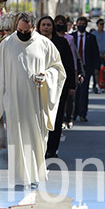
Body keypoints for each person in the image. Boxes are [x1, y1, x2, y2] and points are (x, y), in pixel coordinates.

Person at [0, 12, 66, 186]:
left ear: (33, 28)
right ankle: (18, 179)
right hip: (13, 101)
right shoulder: (7, 44)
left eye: (26, 31)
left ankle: (35, 177)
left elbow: (58, 69)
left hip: (36, 101)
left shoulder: (45, 44)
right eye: (19, 30)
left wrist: (46, 75)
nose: (22, 33)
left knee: (36, 139)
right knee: (17, 140)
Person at [38, 14, 76, 157]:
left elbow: (69, 64)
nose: (46, 27)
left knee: (56, 117)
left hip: (58, 87)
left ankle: (52, 149)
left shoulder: (61, 42)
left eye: (48, 25)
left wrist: (72, 85)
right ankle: (40, 147)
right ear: (39, 27)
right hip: (38, 87)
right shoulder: (33, 42)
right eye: (43, 25)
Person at [70, 15, 100, 119]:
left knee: (84, 91)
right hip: (74, 67)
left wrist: (96, 68)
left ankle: (83, 114)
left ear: (86, 25)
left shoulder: (91, 37)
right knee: (74, 91)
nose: (81, 26)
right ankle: (73, 113)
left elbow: (96, 53)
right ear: (76, 25)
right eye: (79, 24)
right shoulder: (71, 37)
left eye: (83, 24)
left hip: (86, 67)